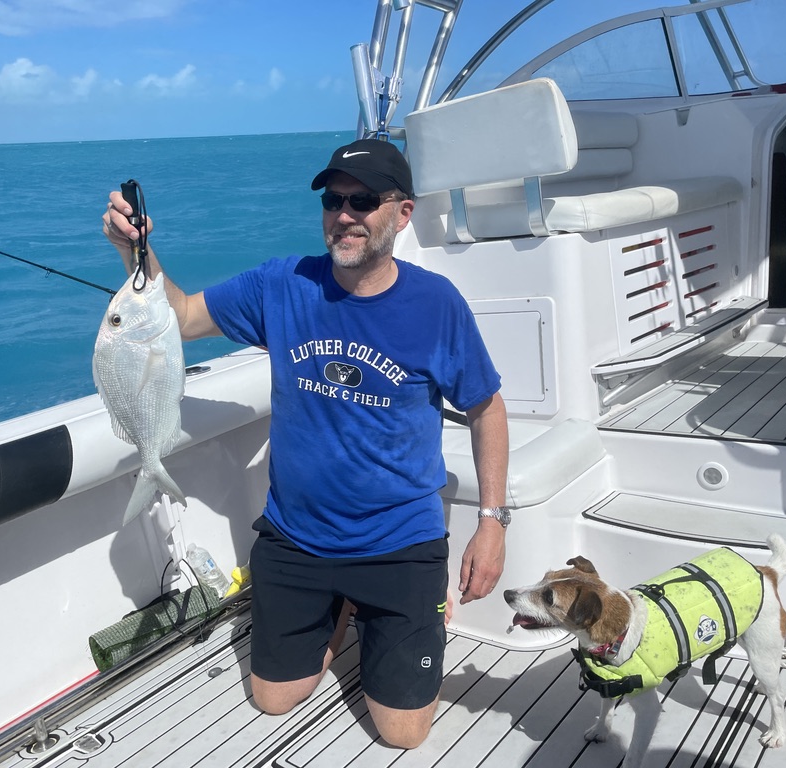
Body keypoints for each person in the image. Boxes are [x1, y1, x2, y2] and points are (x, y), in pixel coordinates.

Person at [102, 138, 509, 749]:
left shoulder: (435, 304)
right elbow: (183, 315)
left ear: (402, 214)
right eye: (333, 199)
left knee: (404, 735)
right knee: (274, 700)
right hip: (298, 537)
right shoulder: (283, 284)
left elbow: (486, 407)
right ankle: (339, 607)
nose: (344, 215)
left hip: (400, 542)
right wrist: (137, 252)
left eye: (363, 201)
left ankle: (375, 610)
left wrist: (492, 522)